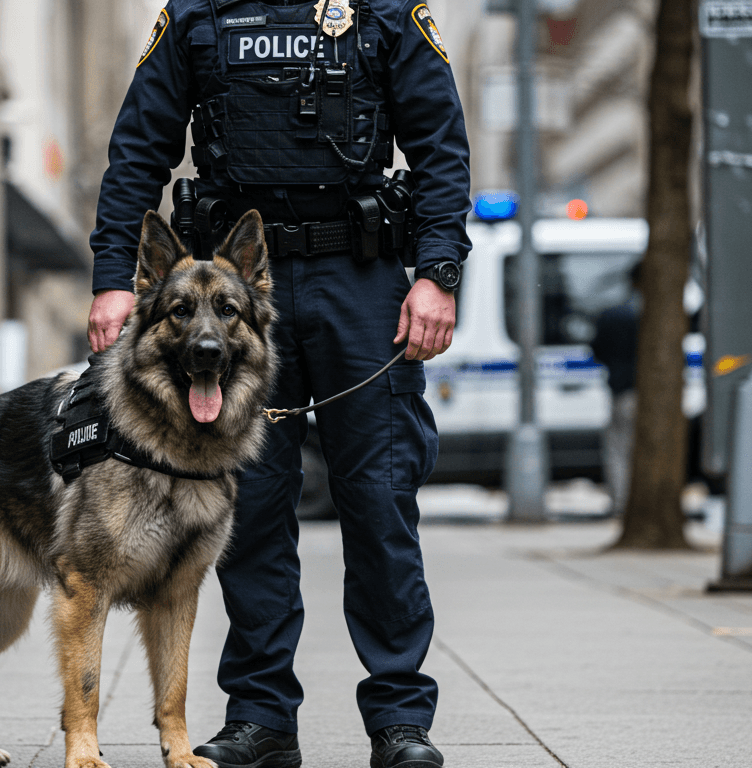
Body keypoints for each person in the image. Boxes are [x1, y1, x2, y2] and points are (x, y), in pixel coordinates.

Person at [88, 2, 471, 767]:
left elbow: (439, 146)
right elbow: (139, 149)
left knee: (380, 497)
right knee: (250, 510)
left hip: (358, 280)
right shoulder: (199, 13)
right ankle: (261, 718)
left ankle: (400, 720)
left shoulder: (386, 11)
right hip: (230, 294)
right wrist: (112, 280)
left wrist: (436, 273)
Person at [590, 265, 641, 517]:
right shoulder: (660, 316)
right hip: (644, 393)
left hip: (622, 390)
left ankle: (621, 504)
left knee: (618, 449)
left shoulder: (613, 315)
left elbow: (597, 350)